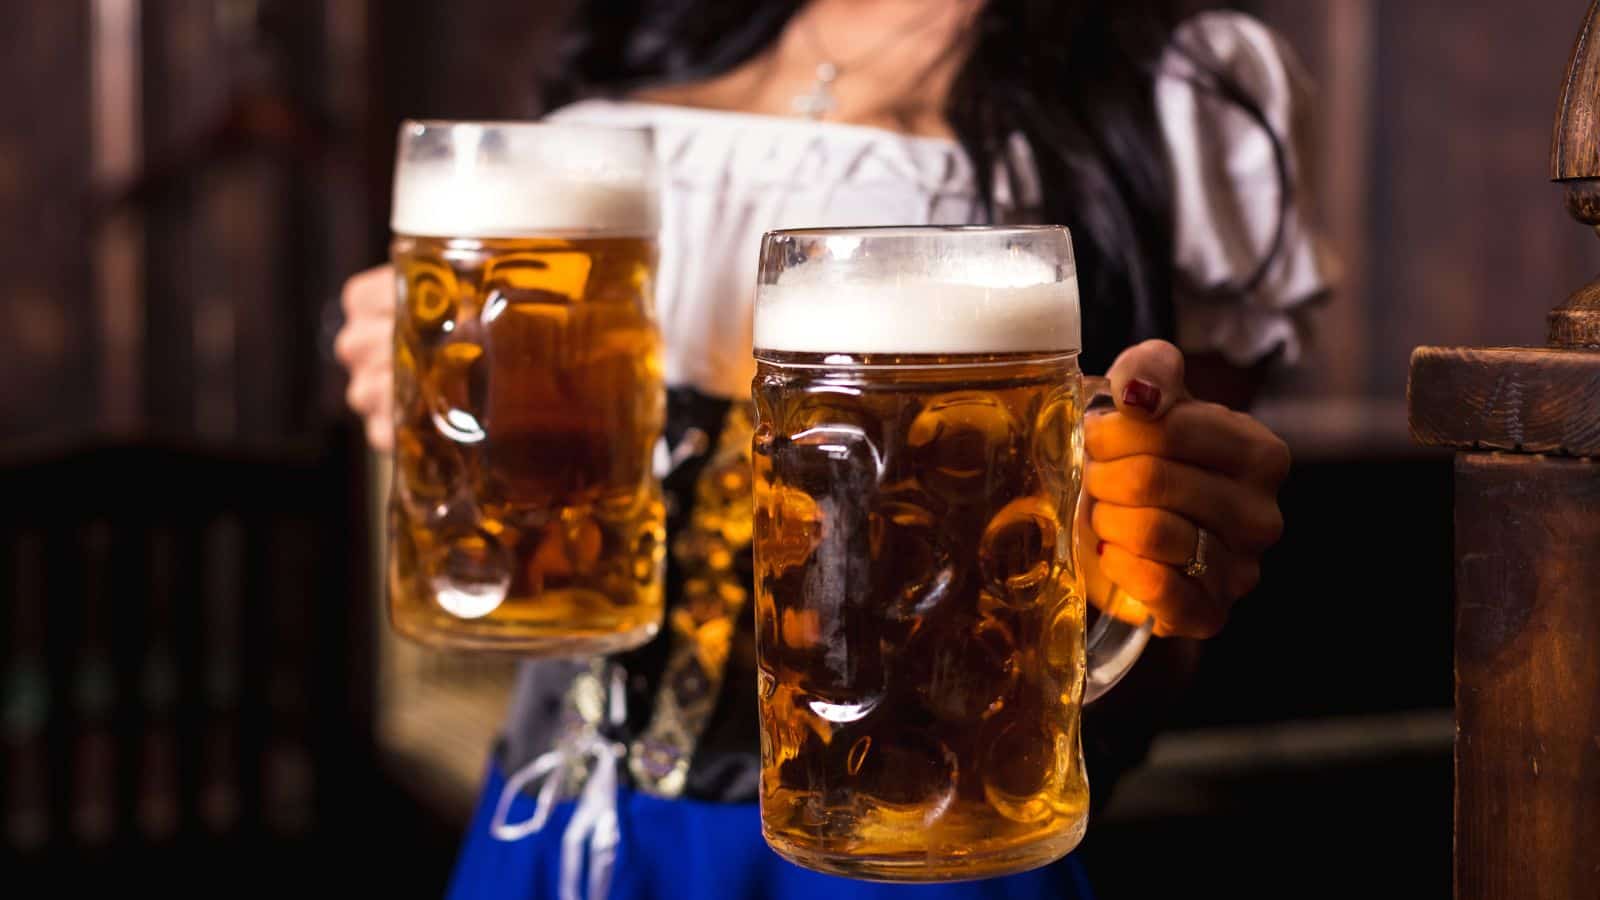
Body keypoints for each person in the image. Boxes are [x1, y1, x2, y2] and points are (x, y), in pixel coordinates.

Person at [335, 1, 1329, 897]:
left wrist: (1171, 527)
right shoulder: (633, 47)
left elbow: (1167, 583)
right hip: (558, 819)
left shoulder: (1174, 85)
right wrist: (431, 387)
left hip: (916, 849)